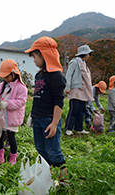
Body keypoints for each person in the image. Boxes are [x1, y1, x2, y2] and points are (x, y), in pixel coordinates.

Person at [24, 36, 67, 183]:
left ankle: (63, 181)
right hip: (37, 118)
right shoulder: (38, 75)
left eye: (35, 56)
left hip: (49, 119)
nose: (34, 60)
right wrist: (32, 116)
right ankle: (48, 179)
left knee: (53, 151)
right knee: (41, 151)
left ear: (44, 55)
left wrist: (55, 123)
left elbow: (58, 102)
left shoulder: (57, 76)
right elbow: (37, 98)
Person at [0, 59, 27, 166]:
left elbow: (21, 102)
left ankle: (13, 159)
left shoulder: (21, 87)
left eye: (7, 76)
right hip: (1, 116)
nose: (5, 79)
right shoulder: (2, 85)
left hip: (12, 117)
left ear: (14, 73)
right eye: (3, 76)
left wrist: (7, 104)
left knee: (11, 138)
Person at [65, 45, 94, 136]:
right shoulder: (74, 62)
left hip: (84, 91)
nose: (89, 55)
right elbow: (68, 75)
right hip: (76, 90)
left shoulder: (84, 64)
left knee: (82, 110)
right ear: (84, 54)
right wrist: (67, 87)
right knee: (74, 110)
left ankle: (79, 128)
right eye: (88, 54)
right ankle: (69, 129)